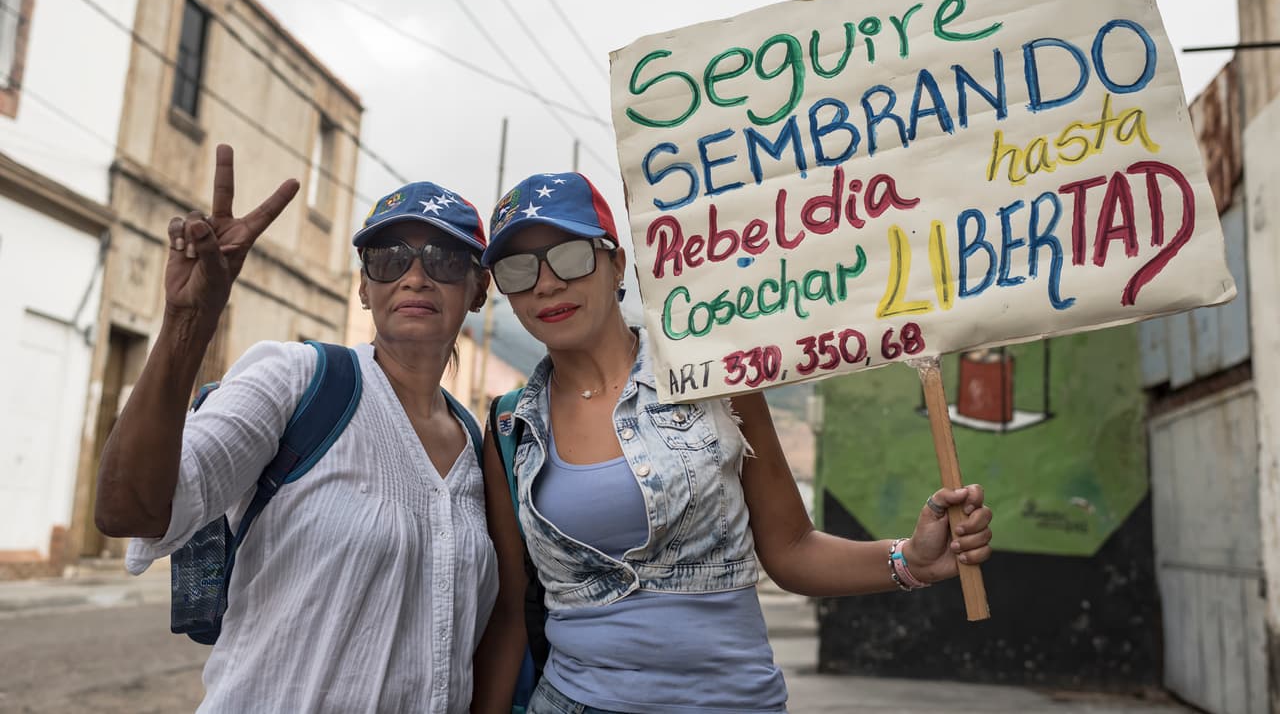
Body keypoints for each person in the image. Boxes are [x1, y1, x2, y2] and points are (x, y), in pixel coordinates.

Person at [471, 172, 995, 714]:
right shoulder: (512, 428)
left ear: (617, 264)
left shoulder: (716, 377)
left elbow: (791, 549)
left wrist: (910, 559)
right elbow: (510, 613)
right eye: (517, 269)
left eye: (570, 256)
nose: (546, 284)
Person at [94, 145, 498, 713]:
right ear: (364, 287)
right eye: (388, 258)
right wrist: (189, 322)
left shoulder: (480, 451)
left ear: (479, 289)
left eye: (445, 259)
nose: (415, 276)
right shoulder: (298, 380)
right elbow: (128, 510)